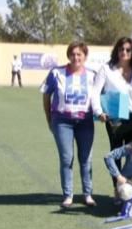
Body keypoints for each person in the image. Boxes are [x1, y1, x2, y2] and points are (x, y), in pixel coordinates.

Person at [42, 42, 97, 208]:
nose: (76, 57)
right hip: (62, 122)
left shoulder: (93, 75)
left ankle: (87, 194)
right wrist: (49, 117)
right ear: (68, 55)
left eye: (80, 54)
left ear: (85, 56)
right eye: (73, 54)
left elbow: (102, 96)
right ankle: (68, 195)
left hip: (85, 121)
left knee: (86, 158)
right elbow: (46, 94)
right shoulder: (56, 73)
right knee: (67, 158)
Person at [93, 37, 132, 152]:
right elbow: (95, 92)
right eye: (121, 49)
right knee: (116, 152)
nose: (124, 52)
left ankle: (126, 171)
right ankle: (116, 171)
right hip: (116, 115)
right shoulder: (106, 69)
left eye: (128, 50)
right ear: (117, 50)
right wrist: (98, 112)